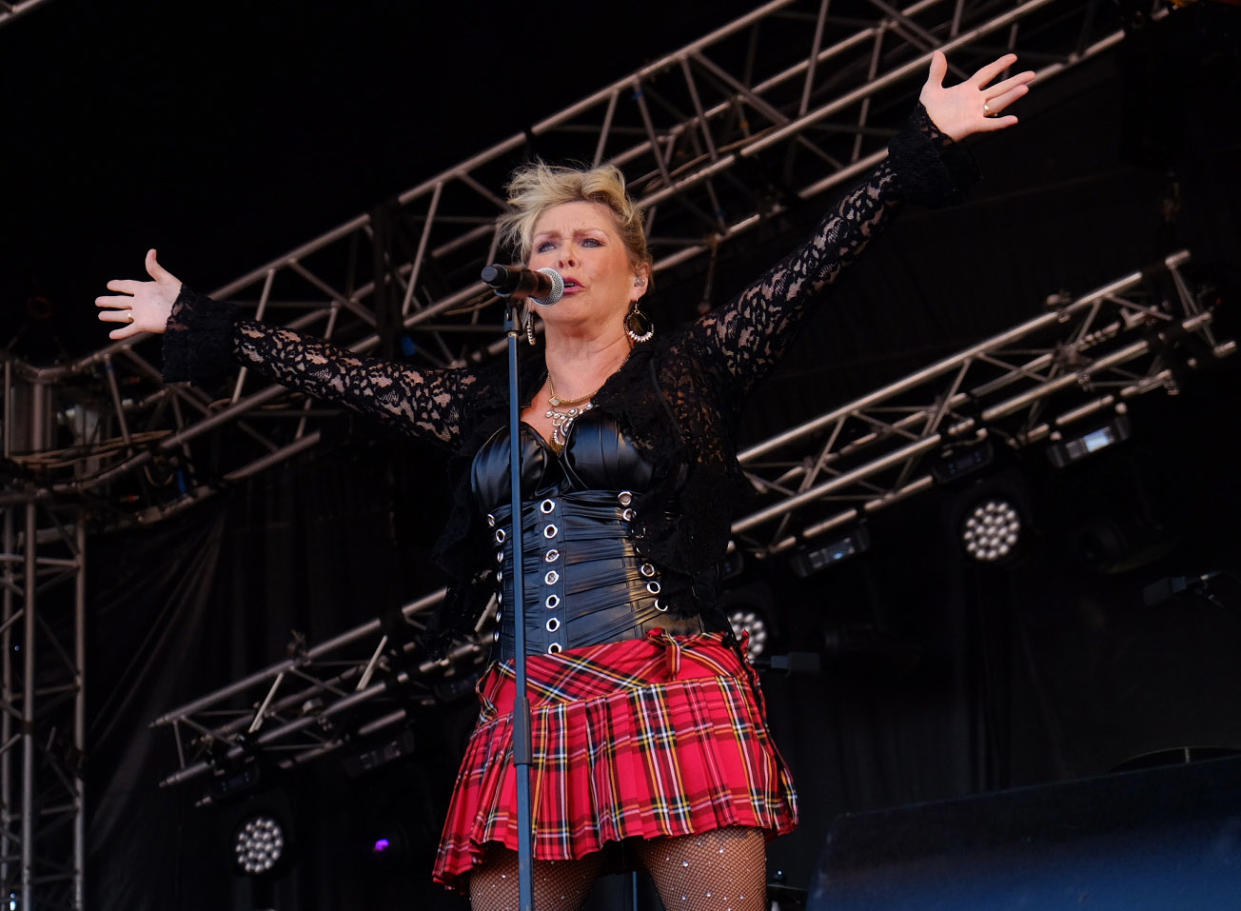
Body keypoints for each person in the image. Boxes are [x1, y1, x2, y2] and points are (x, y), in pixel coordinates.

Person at [98, 51, 1034, 911]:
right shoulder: (482, 403)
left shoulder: (691, 370)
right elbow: (336, 373)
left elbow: (815, 263)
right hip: (529, 707)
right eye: (546, 246)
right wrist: (202, 317)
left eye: (589, 243)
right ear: (522, 278)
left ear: (637, 279)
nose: (564, 258)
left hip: (668, 684)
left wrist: (911, 155)